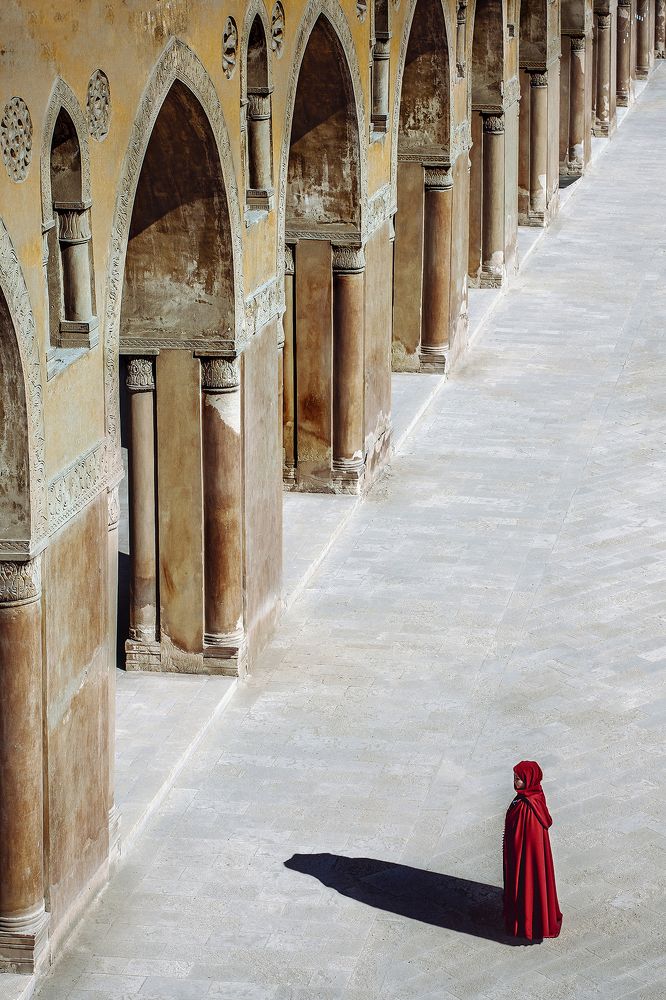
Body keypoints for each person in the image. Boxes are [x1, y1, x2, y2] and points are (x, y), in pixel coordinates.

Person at [503, 760, 562, 940]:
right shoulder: (531, 796)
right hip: (521, 855)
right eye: (514, 778)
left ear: (529, 780)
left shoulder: (527, 807)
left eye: (519, 779)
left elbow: (526, 840)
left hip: (525, 858)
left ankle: (528, 925)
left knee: (527, 885)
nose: (515, 782)